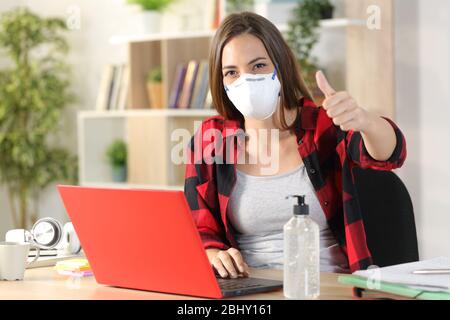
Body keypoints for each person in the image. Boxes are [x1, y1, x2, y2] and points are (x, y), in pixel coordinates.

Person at [184, 12, 406, 279]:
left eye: (258, 66)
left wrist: (365, 120)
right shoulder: (211, 138)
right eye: (232, 72)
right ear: (221, 82)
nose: (246, 80)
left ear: (281, 65)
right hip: (250, 287)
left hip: (327, 286)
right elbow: (198, 228)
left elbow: (390, 155)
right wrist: (211, 253)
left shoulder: (324, 125)